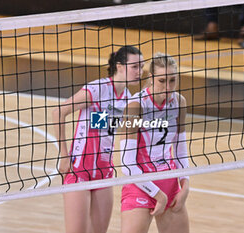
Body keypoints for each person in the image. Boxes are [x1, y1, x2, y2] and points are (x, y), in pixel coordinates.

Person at [52, 45, 144, 233]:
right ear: (119, 66)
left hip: (104, 173)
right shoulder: (97, 89)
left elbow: (116, 130)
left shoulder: (128, 99)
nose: (140, 72)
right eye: (135, 67)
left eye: (142, 67)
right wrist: (63, 155)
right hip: (79, 171)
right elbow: (58, 113)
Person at [120, 53, 190, 233]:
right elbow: (127, 165)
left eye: (172, 80)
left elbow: (180, 151)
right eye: (162, 80)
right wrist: (159, 196)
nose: (168, 87)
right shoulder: (135, 106)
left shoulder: (179, 102)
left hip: (170, 183)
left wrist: (185, 185)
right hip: (140, 184)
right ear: (151, 78)